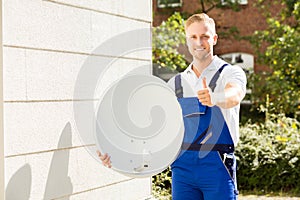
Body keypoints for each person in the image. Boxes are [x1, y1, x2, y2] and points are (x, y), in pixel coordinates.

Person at [98, 13, 247, 200]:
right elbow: (154, 131)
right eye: (193, 36)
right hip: (182, 169)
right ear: (187, 40)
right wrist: (116, 154)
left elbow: (235, 95)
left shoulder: (230, 73)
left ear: (214, 39)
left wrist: (215, 97)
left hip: (217, 167)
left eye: (204, 36)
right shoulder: (176, 84)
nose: (198, 42)